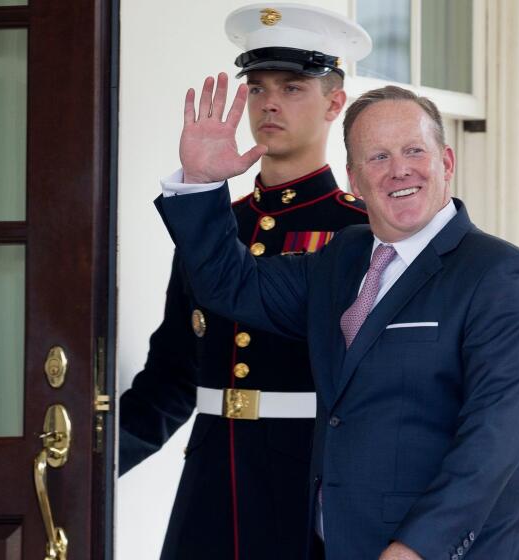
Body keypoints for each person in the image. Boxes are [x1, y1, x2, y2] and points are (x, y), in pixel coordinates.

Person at [154, 82, 519, 559]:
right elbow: (231, 286)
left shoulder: (499, 275)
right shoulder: (341, 258)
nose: (399, 170)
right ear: (352, 178)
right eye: (378, 157)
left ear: (446, 162)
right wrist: (202, 185)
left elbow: (493, 443)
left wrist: (415, 549)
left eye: (414, 151)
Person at [119, 4, 371, 559]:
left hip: (309, 485)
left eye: (293, 86)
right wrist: (87, 466)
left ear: (335, 102)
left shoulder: (358, 231)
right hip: (211, 484)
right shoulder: (213, 223)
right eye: (257, 88)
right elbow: (172, 375)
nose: (270, 103)